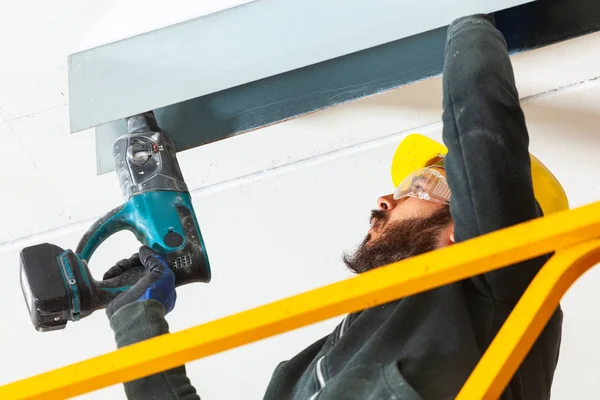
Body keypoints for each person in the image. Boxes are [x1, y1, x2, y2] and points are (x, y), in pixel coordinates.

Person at [104, 14, 564, 400]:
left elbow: (480, 117)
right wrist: (134, 319)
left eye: (421, 186)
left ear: (468, 221)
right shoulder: (302, 371)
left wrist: (469, 17)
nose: (386, 199)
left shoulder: (508, 297)